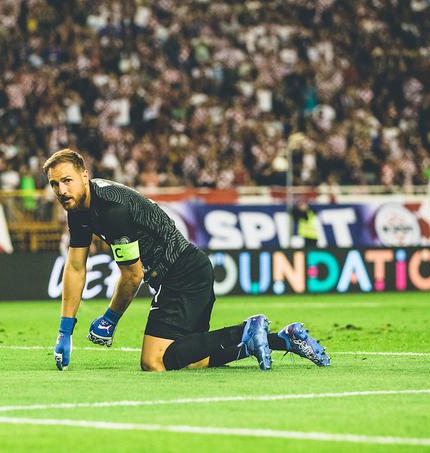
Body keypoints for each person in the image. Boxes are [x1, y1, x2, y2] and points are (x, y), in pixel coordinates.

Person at [45, 149, 330, 371]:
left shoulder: (111, 209)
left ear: (85, 176)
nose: (61, 190)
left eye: (67, 180)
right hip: (187, 272)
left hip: (181, 275)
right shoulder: (79, 208)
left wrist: (110, 318)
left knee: (153, 362)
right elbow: (75, 266)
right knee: (189, 359)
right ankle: (284, 339)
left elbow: (132, 275)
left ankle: (246, 329)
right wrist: (64, 331)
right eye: (54, 184)